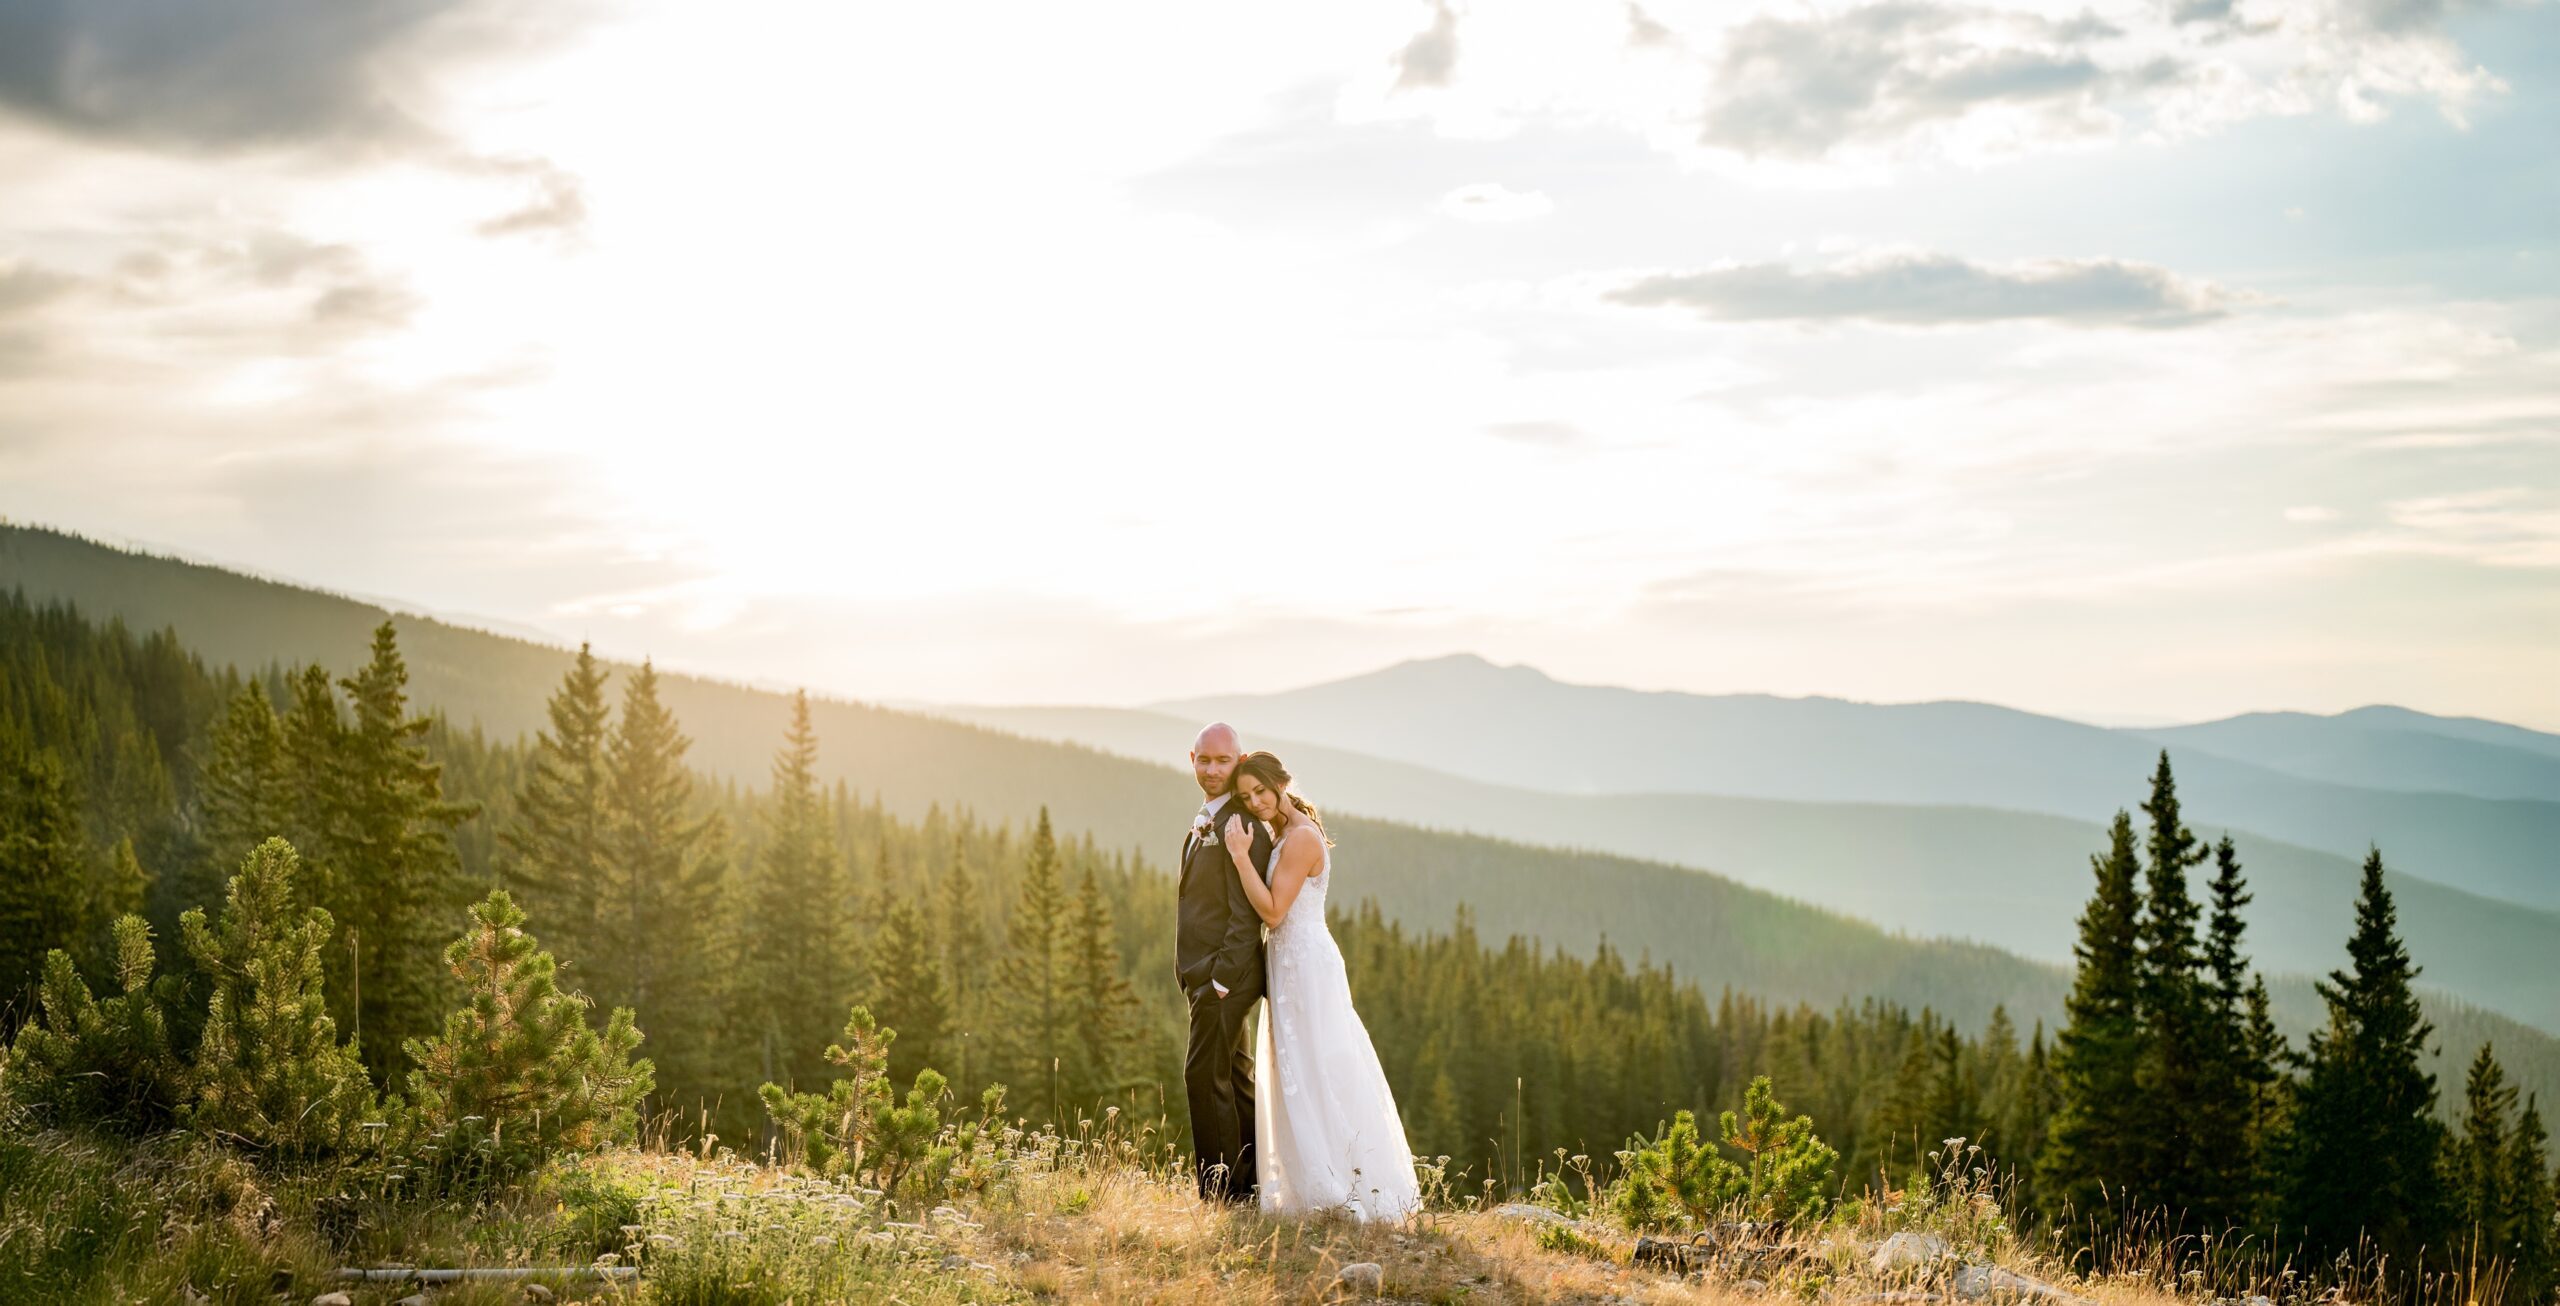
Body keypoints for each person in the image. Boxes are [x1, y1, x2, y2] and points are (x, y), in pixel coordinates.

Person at [1220, 750, 1421, 1221]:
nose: (1255, 802)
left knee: (1319, 1064)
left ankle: (1343, 1186)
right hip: (1288, 963)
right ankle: (1307, 1181)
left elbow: (1273, 911)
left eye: (1261, 791)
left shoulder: (1301, 839)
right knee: (1296, 1066)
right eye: (1246, 797)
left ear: (1281, 783)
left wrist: (1238, 858)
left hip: (1306, 965)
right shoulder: (1285, 832)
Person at [1174, 722, 1273, 1203]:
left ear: (1239, 761)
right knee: (1234, 1079)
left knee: (1202, 1076)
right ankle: (1251, 1183)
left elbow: (1245, 913)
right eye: (1205, 760)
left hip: (1225, 978)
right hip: (1208, 974)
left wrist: (1218, 980)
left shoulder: (1242, 824)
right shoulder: (1207, 817)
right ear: (1191, 758)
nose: (1213, 770)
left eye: (1223, 761)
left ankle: (1222, 1193)